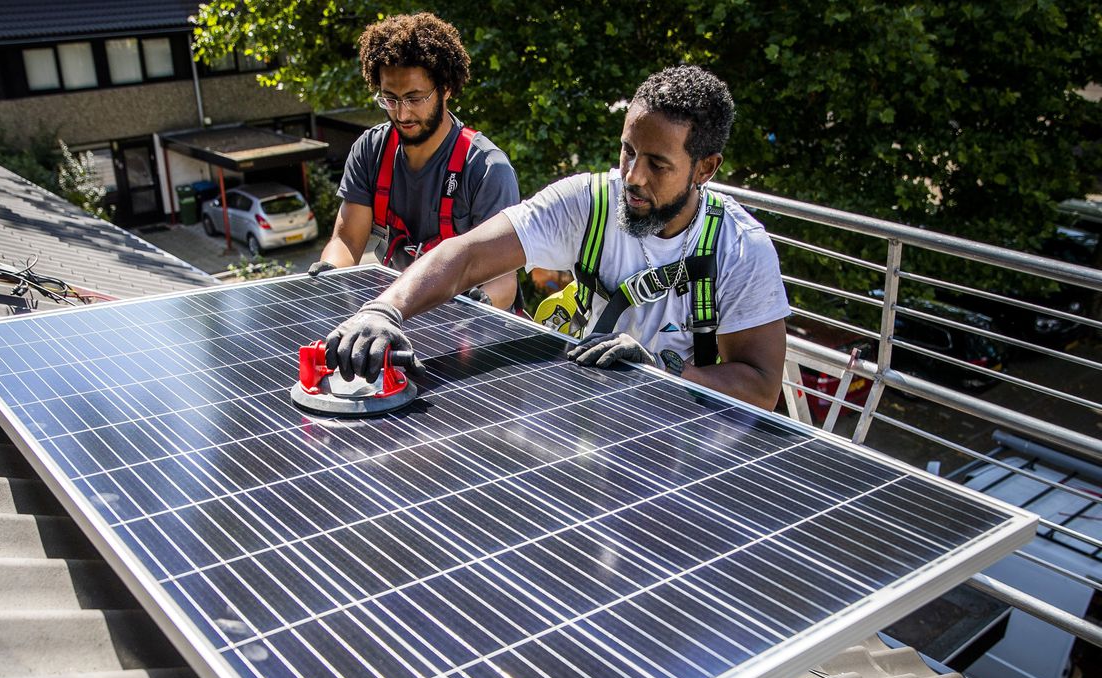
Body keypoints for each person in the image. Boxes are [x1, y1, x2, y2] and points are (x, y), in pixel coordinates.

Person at [325, 64, 791, 410]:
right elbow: (466, 255)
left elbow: (762, 385)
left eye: (658, 164)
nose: (632, 176)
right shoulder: (589, 203)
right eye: (628, 151)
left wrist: (663, 371)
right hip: (590, 416)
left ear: (706, 168)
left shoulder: (739, 249)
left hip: (683, 436)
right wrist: (385, 310)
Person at [308, 12, 522, 311]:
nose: (402, 114)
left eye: (415, 98)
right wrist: (329, 271)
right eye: (390, 99)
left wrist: (480, 307)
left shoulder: (487, 169)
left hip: (470, 325)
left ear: (445, 88)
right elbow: (346, 241)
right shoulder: (370, 151)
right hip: (401, 311)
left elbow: (502, 280)